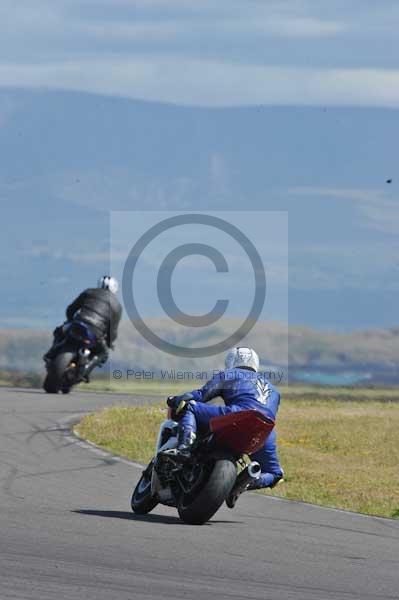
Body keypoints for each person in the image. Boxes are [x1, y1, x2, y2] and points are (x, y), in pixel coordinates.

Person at [164, 347, 284, 506]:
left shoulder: (228, 374)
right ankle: (244, 482)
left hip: (238, 415)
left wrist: (176, 399)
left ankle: (184, 447)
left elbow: (201, 395)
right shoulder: (274, 390)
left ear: (231, 362)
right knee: (276, 474)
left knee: (191, 407)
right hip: (264, 428)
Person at [44, 276, 122, 380]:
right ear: (115, 288)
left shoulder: (89, 292)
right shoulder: (117, 306)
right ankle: (85, 371)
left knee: (59, 331)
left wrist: (70, 320)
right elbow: (112, 330)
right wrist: (110, 342)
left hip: (77, 324)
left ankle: (51, 354)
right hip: (95, 332)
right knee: (103, 353)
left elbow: (71, 309)